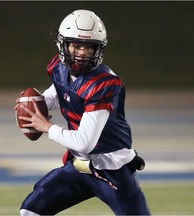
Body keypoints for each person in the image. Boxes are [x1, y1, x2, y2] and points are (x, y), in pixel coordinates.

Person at [15, 9, 151, 215]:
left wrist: (47, 127)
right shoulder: (60, 68)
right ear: (64, 45)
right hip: (78, 167)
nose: (82, 53)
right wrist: (36, 103)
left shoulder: (103, 83)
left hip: (112, 169)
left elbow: (85, 142)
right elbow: (58, 92)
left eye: (89, 47)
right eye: (77, 45)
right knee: (30, 211)